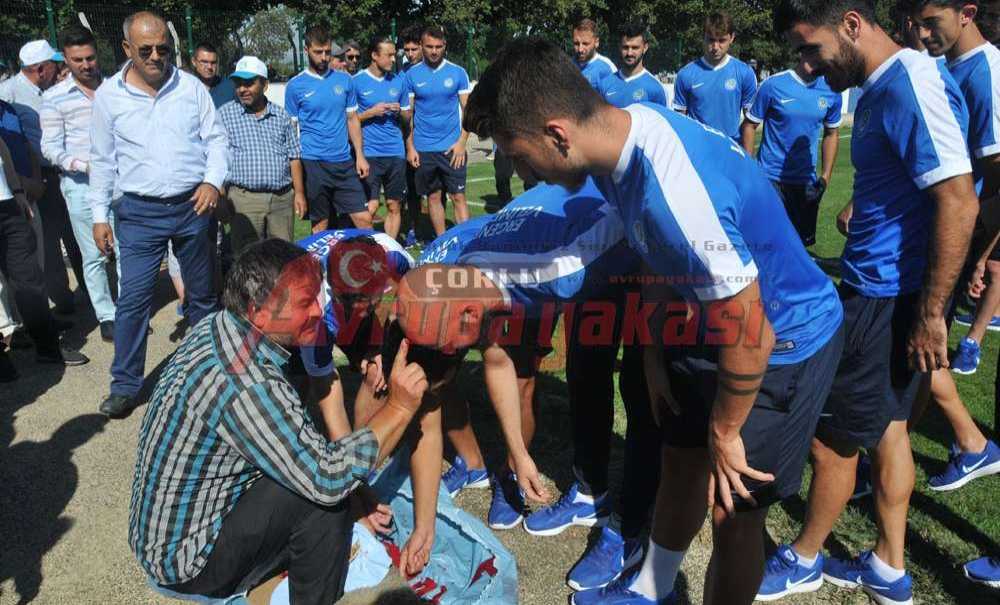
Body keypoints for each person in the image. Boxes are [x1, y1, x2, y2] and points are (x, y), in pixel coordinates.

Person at [463, 36, 845, 605]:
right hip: (708, 329)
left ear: (557, 134)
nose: (519, 173)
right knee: (680, 464)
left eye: (518, 155)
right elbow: (661, 259)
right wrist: (652, 352)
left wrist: (725, 429)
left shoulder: (675, 189)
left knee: (732, 509)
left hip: (782, 342)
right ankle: (651, 589)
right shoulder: (625, 135)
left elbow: (752, 328)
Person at [754, 2, 979, 603]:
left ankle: (804, 558)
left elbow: (960, 200)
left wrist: (931, 313)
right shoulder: (885, 84)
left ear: (851, 24)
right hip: (885, 288)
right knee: (891, 433)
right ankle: (888, 565)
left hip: (887, 297)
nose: (807, 64)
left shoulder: (910, 84)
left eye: (811, 48)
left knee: (833, 442)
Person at [129, 238, 429, 604]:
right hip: (187, 562)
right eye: (305, 303)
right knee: (323, 499)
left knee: (307, 467)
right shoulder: (246, 381)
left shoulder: (221, 326)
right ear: (259, 311)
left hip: (166, 538)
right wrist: (398, 408)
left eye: (317, 296)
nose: (320, 310)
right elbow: (328, 476)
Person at [90, 11, 228, 418]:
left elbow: (216, 140)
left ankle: (207, 374)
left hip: (192, 205)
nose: (155, 56)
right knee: (133, 299)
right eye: (145, 49)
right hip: (138, 213)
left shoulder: (190, 88)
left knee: (202, 297)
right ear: (127, 49)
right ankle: (126, 385)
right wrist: (100, 215)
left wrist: (212, 182)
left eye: (163, 48)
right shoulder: (108, 96)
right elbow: (102, 161)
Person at [905, 0, 1000, 495]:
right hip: (937, 232)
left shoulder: (987, 72)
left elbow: (996, 177)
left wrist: (982, 255)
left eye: (931, 22)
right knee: (917, 348)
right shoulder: (947, 67)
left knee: (916, 335)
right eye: (915, 23)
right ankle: (938, 443)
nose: (921, 33)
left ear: (967, 12)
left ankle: (971, 441)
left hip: (956, 236)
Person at [40, 25, 117, 343]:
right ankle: (107, 315)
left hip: (121, 182)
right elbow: (49, 147)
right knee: (94, 254)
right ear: (65, 61)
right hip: (81, 184)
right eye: (77, 60)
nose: (86, 65)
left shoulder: (115, 88)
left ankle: (128, 310)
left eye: (90, 57)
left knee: (128, 250)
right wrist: (81, 164)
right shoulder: (55, 98)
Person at [0, 39, 81, 315]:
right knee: (48, 245)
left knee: (76, 237)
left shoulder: (52, 90)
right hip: (32, 185)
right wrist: (26, 182)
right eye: (54, 64)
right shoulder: (8, 94)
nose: (59, 69)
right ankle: (62, 302)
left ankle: (88, 298)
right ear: (40, 68)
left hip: (59, 175)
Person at [0, 120, 87, 373]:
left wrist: (16, 190)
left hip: (8, 206)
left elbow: (3, 148)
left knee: (29, 278)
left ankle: (48, 349)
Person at [740, 55, 842, 247]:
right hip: (771, 178)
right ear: (804, 52)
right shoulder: (773, 85)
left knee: (800, 247)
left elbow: (832, 133)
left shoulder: (831, 90)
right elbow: (748, 126)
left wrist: (826, 176)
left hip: (806, 184)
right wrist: (749, 167)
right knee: (767, 243)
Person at [286, 26, 370, 232]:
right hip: (314, 163)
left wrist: (359, 155)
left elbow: (352, 119)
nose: (324, 57)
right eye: (318, 52)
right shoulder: (295, 86)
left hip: (343, 161)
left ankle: (371, 263)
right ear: (306, 51)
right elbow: (291, 130)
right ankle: (320, 264)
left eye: (327, 52)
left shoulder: (345, 80)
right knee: (321, 224)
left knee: (364, 219)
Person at [217, 56, 304, 253]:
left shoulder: (281, 116)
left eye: (249, 83)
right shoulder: (225, 114)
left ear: (264, 85)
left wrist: (299, 193)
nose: (242, 89)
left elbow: (294, 156)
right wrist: (221, 196)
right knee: (247, 259)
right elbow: (217, 158)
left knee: (283, 256)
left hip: (282, 199)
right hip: (244, 200)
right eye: (238, 84)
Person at [404, 25, 472, 237]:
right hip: (424, 149)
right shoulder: (411, 75)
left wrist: (461, 144)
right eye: (429, 46)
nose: (434, 51)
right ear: (422, 46)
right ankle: (442, 242)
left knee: (458, 197)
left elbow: (468, 112)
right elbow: (409, 117)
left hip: (453, 148)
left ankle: (464, 242)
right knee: (433, 196)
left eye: (438, 47)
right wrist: (410, 147)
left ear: (445, 46)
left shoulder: (458, 72)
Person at [355, 36, 411, 240]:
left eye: (394, 55)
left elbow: (407, 116)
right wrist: (370, 112)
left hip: (395, 152)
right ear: (374, 56)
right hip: (369, 153)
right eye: (388, 55)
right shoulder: (357, 82)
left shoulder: (399, 81)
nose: (392, 59)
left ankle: (390, 249)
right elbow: (349, 120)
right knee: (370, 206)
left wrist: (400, 112)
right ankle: (368, 249)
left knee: (394, 204)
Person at [672, 12, 758, 141]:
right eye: (711, 40)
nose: (715, 47)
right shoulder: (686, 74)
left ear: (732, 38)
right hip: (698, 150)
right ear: (703, 37)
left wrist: (747, 158)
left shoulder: (744, 72)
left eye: (721, 40)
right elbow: (679, 123)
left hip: (731, 149)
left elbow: (750, 124)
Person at [596, 22, 669, 108]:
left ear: (645, 48)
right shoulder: (604, 84)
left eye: (635, 48)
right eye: (625, 47)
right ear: (619, 47)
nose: (629, 53)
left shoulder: (656, 88)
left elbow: (664, 120)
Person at [399, 25, 426, 246]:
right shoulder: (402, 74)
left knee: (435, 190)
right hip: (407, 141)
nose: (410, 54)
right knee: (411, 191)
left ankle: (432, 231)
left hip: (431, 142)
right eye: (406, 49)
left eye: (414, 49)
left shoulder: (434, 71)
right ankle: (414, 230)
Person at [572, 18, 618, 89]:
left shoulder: (607, 68)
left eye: (585, 44)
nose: (580, 49)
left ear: (596, 42)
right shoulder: (569, 64)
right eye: (576, 44)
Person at [191, 41, 235, 108]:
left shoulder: (229, 87)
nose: (209, 67)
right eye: (204, 62)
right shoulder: (186, 88)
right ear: (194, 62)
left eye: (213, 62)